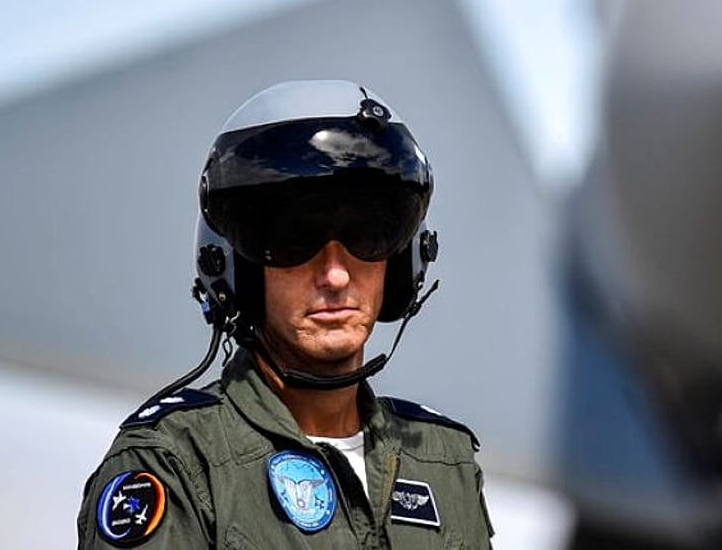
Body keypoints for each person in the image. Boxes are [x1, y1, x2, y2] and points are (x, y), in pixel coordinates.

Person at [77, 80, 494, 548]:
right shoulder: (174, 463)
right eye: (296, 240)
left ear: (402, 263)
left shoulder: (443, 461)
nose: (335, 275)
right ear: (239, 270)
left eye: (367, 236)